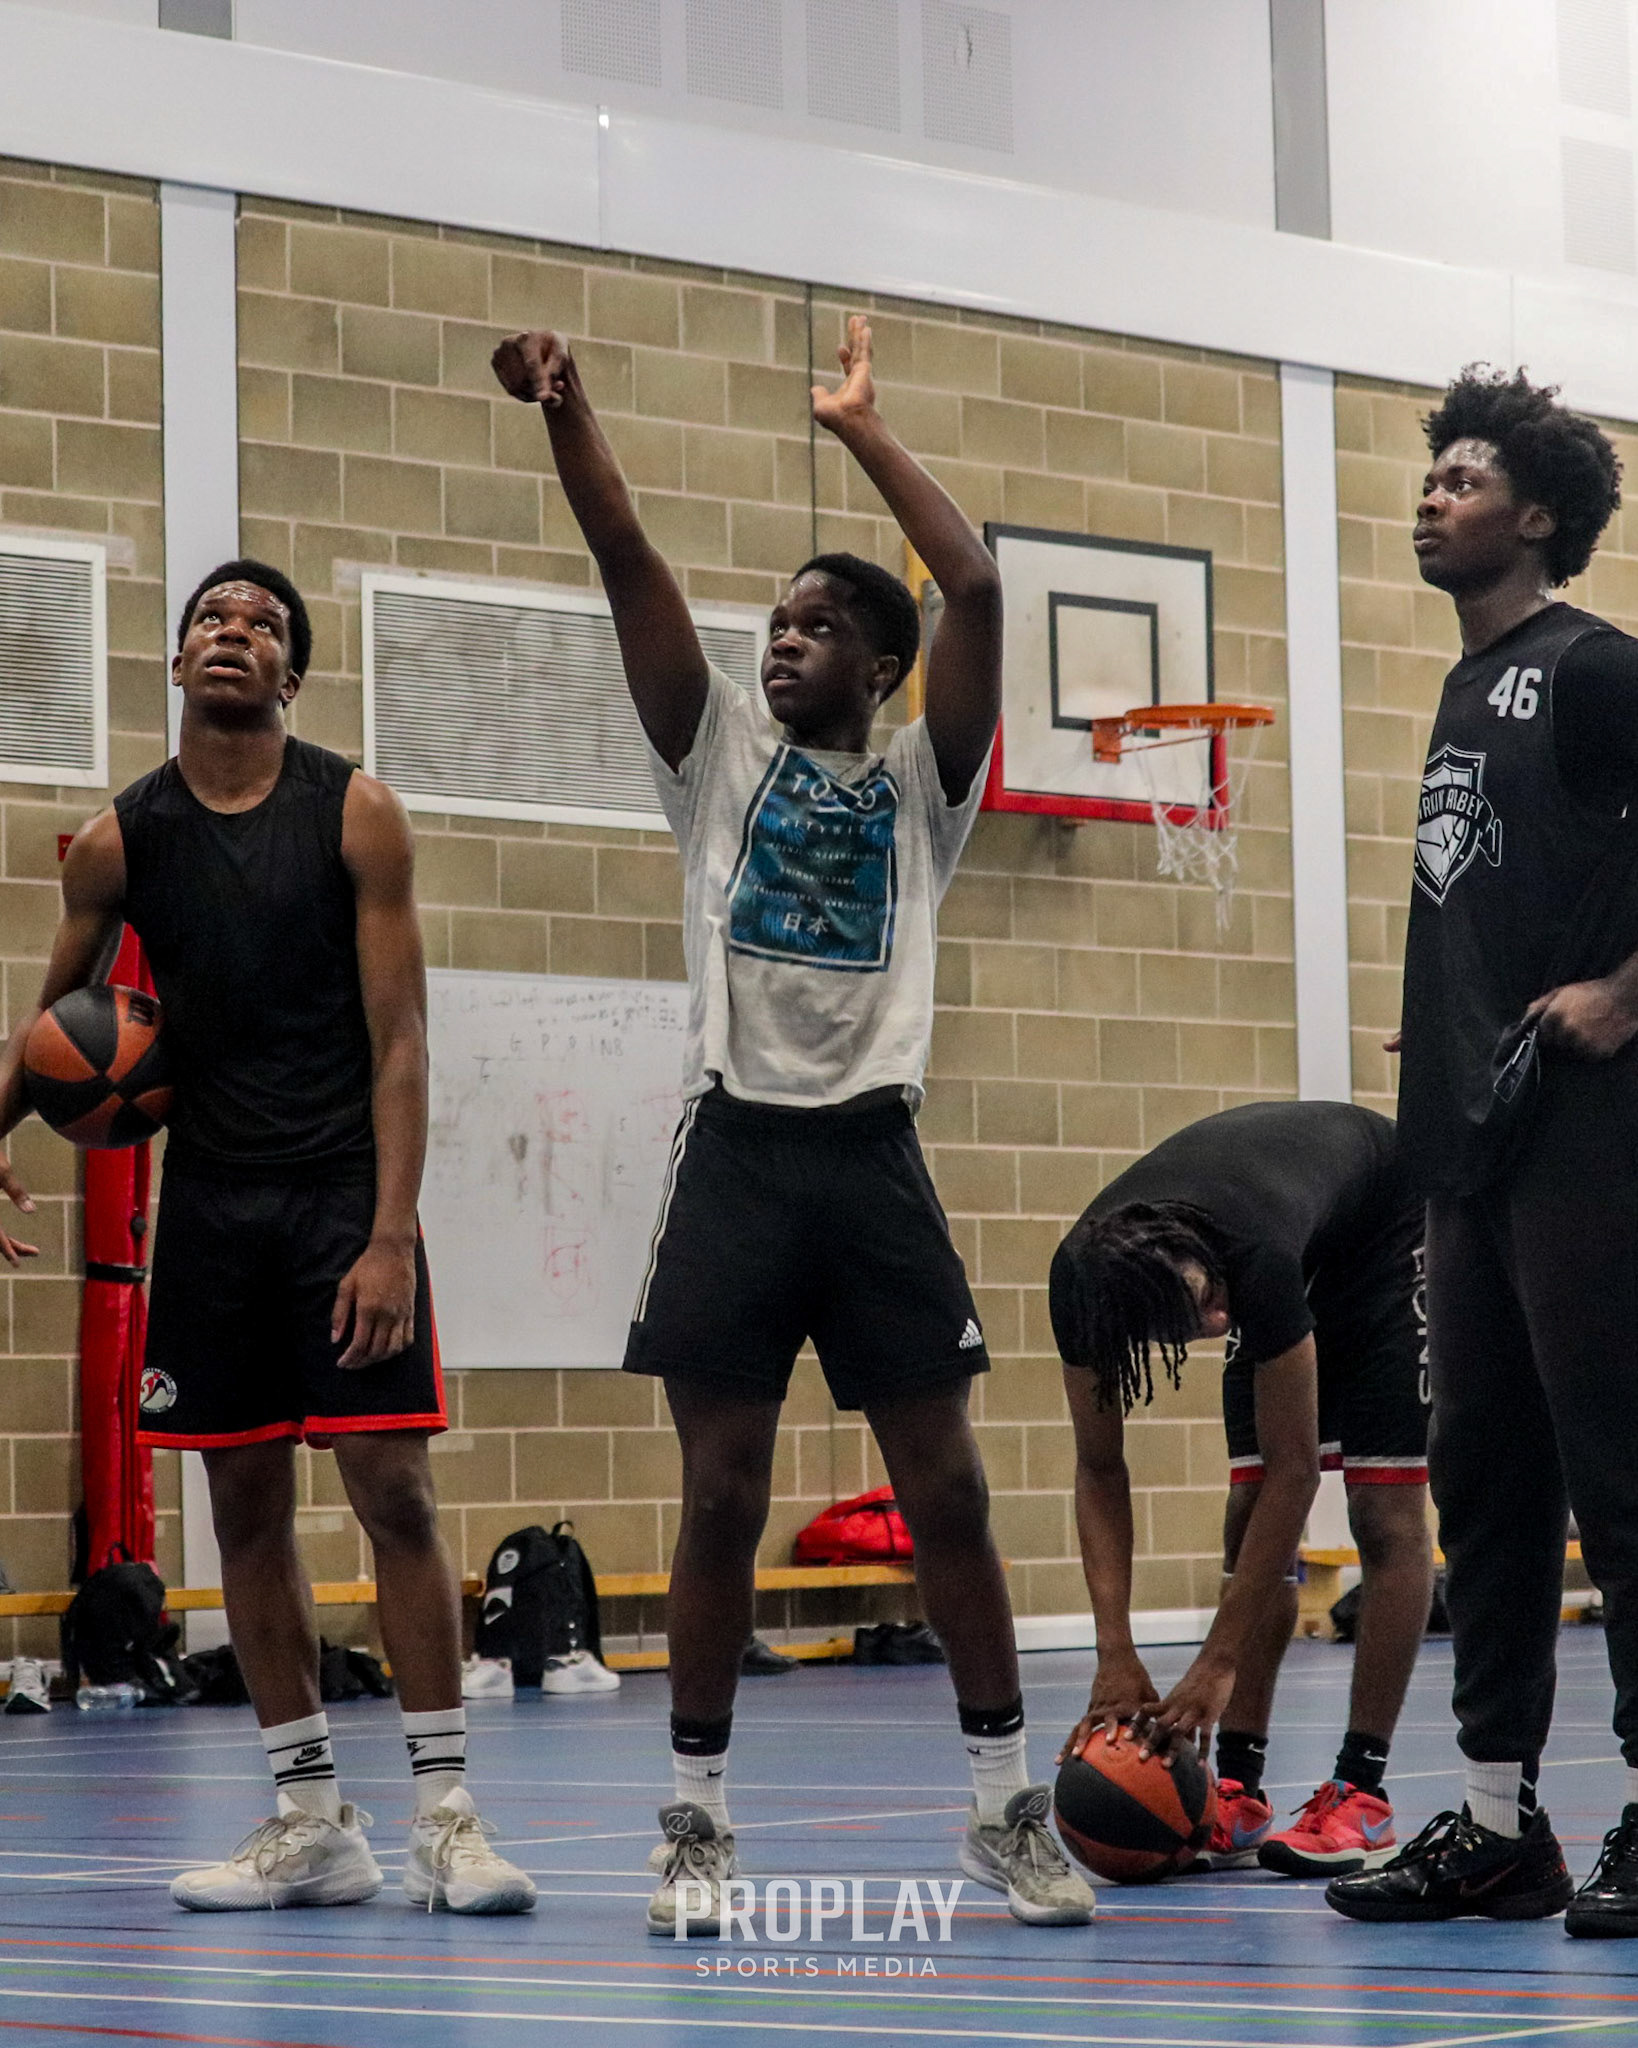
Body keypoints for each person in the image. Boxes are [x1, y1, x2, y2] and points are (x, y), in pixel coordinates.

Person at [492, 316, 1093, 1934]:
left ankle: (1001, 1804)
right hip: (738, 1153)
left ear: (879, 670)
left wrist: (859, 430)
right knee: (720, 1494)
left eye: (818, 626)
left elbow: (975, 590)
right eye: (775, 622)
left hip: (871, 1156)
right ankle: (694, 1819)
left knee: (945, 1490)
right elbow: (625, 555)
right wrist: (569, 410)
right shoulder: (713, 758)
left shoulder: (921, 789)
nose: (782, 643)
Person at [0, 561, 534, 1917]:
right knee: (241, 1507)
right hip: (214, 1209)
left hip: (344, 1197)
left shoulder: (356, 812)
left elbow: (402, 1038)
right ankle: (311, 1821)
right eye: (211, 620)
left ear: (291, 674)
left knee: (392, 1492)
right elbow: (51, 1033)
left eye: (264, 626)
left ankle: (446, 1817)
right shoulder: (119, 841)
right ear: (178, 661)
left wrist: (392, 1235)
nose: (233, 633)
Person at [1326, 368, 1638, 1934]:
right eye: (1430, 475)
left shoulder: (1593, 670)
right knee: (1485, 1482)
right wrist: (1448, 1027)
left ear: (1535, 515)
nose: (1431, 495)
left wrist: (1623, 992)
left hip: (1589, 1135)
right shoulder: (1464, 688)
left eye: (1463, 477)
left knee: (1619, 1471)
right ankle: (1499, 1823)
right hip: (1467, 1141)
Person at [1049, 1101, 1432, 1877]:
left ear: (1199, 1259)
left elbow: (1300, 1469)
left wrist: (1217, 1661)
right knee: (1247, 1509)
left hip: (1388, 1219)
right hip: (1287, 1229)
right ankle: (1236, 1787)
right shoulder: (1082, 1288)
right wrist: (1114, 1652)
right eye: (1197, 1320)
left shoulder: (1248, 1257)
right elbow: (1099, 1469)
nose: (1222, 1319)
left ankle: (1362, 1793)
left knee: (1382, 1508)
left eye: (1210, 1297)